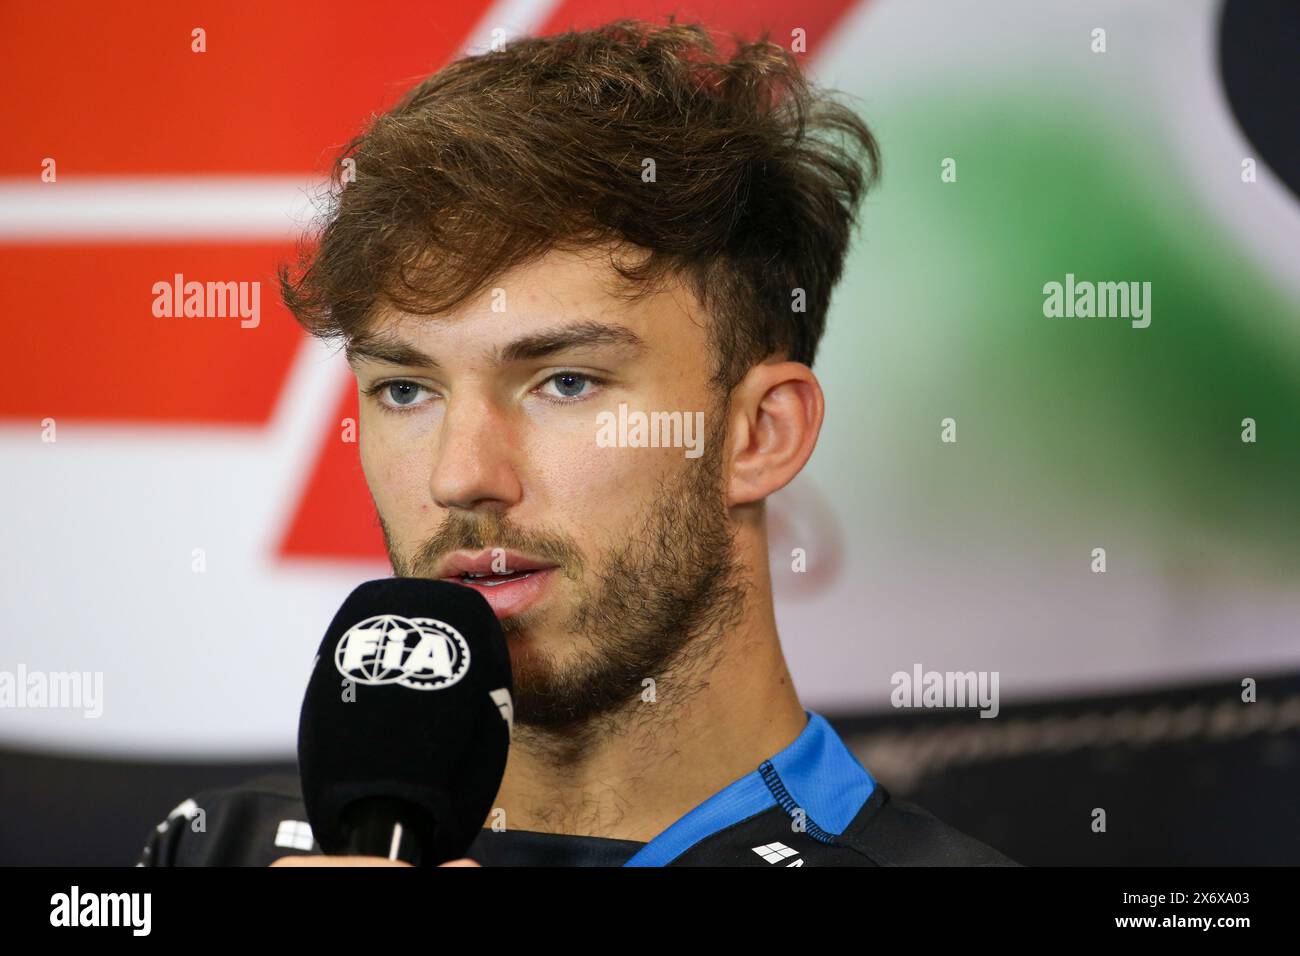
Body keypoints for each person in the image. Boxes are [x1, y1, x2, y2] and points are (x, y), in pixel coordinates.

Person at [139, 18, 1014, 867]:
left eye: (565, 382)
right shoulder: (217, 849)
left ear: (760, 433)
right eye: (406, 389)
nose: (462, 477)